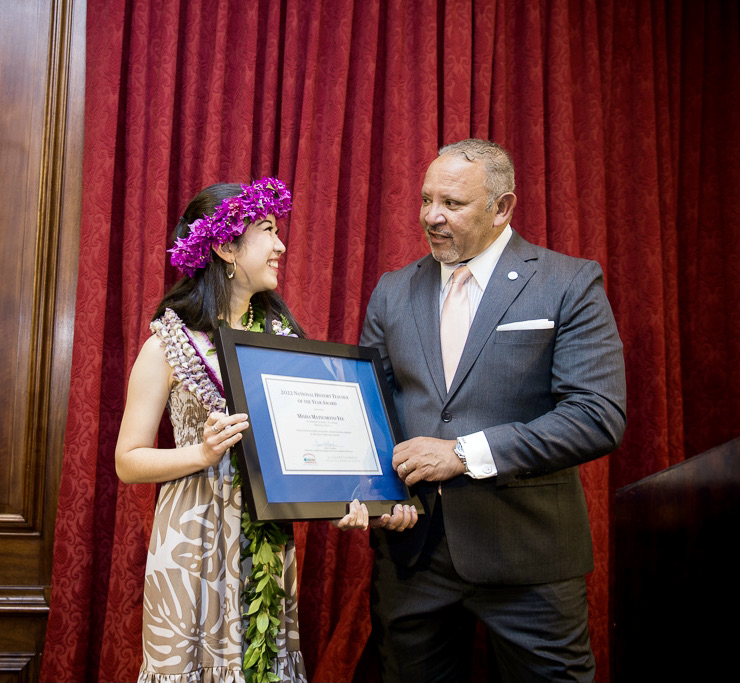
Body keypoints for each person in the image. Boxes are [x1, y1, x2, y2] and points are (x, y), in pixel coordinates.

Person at [360, 139, 627, 683]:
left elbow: (597, 414)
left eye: (452, 204)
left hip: (529, 560)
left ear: (502, 207)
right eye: (426, 199)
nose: (432, 216)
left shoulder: (568, 283)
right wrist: (377, 490)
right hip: (412, 557)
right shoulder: (392, 291)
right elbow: (372, 409)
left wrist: (461, 453)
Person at [115, 179, 370, 683]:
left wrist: (347, 496)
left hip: (267, 540)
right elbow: (128, 461)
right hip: (192, 535)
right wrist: (201, 454)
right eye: (268, 231)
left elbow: (312, 442)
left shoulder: (285, 341)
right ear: (226, 247)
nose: (281, 246)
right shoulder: (167, 344)